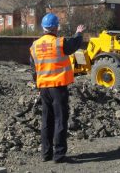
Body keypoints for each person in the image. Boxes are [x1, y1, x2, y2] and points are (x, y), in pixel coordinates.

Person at [29, 13, 85, 163]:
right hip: (58, 87)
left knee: (47, 120)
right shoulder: (59, 43)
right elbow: (74, 44)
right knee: (60, 120)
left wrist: (38, 84)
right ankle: (59, 155)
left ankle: (46, 154)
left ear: (43, 27)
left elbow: (33, 70)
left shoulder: (34, 46)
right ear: (55, 27)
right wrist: (79, 32)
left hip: (44, 88)